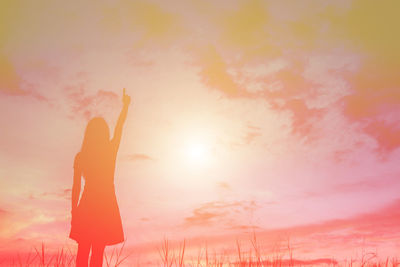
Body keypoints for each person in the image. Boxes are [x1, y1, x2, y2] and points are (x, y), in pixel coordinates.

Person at [69, 89, 131, 267]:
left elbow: (76, 188)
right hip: (105, 205)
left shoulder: (82, 156)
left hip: (88, 205)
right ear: (104, 133)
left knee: (83, 253)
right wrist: (126, 107)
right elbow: (119, 129)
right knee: (97, 254)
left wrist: (74, 211)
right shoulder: (109, 152)